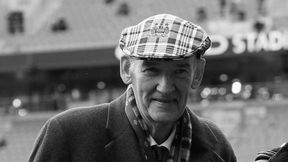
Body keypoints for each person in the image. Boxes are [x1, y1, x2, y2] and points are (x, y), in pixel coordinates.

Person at [28, 14, 236, 162]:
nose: (165, 87)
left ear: (197, 73)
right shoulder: (67, 135)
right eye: (151, 70)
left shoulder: (217, 146)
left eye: (180, 71)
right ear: (127, 69)